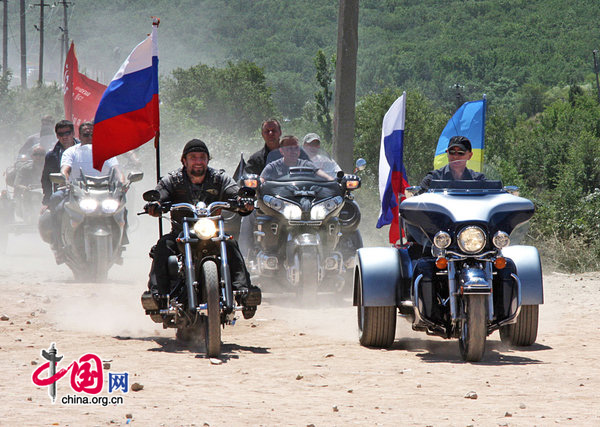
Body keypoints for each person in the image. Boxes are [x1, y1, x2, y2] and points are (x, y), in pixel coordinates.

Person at [145, 139, 261, 318]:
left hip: (212, 232)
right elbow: (161, 193)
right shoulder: (173, 179)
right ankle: (157, 295)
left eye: (202, 157)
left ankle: (244, 293)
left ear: (208, 160)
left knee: (230, 244)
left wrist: (242, 201)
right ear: (184, 161)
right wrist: (156, 203)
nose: (198, 161)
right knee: (163, 246)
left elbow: (233, 190)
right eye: (193, 157)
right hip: (181, 233)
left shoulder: (219, 178)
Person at [420, 135, 486, 189]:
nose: (455, 156)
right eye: (452, 152)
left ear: (470, 155)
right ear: (447, 153)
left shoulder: (479, 181)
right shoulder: (432, 179)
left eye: (460, 153)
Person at [40, 120, 78, 209]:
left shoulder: (85, 150)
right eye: (61, 134)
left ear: (73, 133)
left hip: (86, 190)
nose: (64, 137)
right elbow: (46, 179)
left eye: (67, 133)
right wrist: (47, 200)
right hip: (64, 191)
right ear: (57, 136)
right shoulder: (52, 156)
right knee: (55, 204)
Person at [261, 135, 332, 182]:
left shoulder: (306, 165)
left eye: (296, 148)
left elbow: (326, 177)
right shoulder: (273, 167)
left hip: (303, 200)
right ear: (281, 151)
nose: (293, 151)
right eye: (289, 148)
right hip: (279, 202)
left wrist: (335, 182)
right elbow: (261, 181)